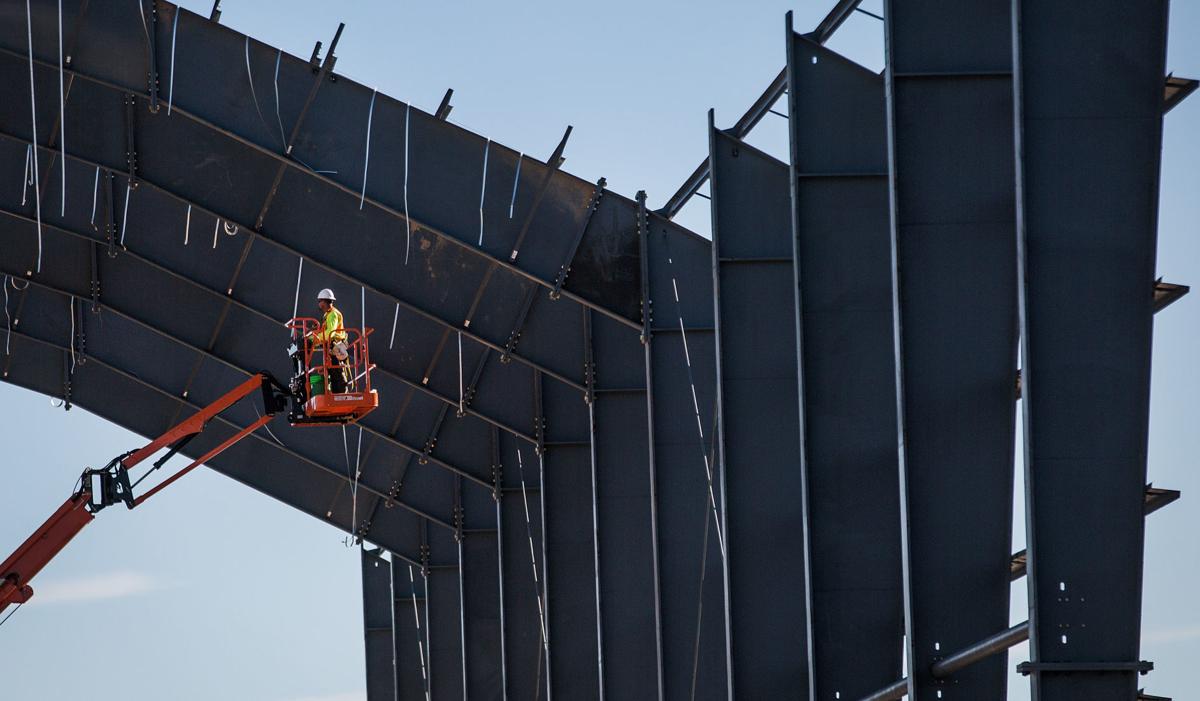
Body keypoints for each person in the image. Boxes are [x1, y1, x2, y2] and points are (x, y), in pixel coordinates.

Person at [309, 288, 350, 393]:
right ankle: (337, 391)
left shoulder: (333, 314)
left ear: (326, 301)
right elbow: (325, 331)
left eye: (320, 301)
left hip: (336, 345)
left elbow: (330, 332)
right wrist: (313, 335)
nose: (319, 304)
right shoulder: (327, 315)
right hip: (330, 346)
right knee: (332, 370)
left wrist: (315, 339)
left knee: (337, 370)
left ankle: (341, 391)